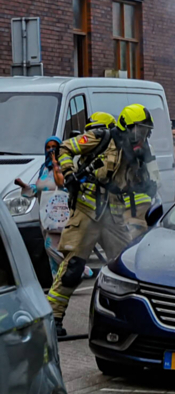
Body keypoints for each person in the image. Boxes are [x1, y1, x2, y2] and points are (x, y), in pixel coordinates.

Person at [47, 108, 149, 336]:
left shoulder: (136, 152)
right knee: (73, 267)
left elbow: (134, 187)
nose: (143, 135)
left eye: (146, 131)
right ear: (128, 126)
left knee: (126, 267)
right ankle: (52, 317)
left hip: (113, 215)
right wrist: (69, 171)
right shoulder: (101, 137)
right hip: (87, 209)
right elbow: (65, 148)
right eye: (140, 129)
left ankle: (126, 317)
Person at [14, 137, 93, 281]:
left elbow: (61, 182)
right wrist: (24, 186)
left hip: (61, 214)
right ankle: (58, 281)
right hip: (46, 216)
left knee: (53, 247)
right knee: (50, 250)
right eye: (48, 147)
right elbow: (38, 188)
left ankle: (79, 268)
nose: (51, 150)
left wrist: (56, 162)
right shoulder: (43, 168)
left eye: (54, 147)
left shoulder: (65, 166)